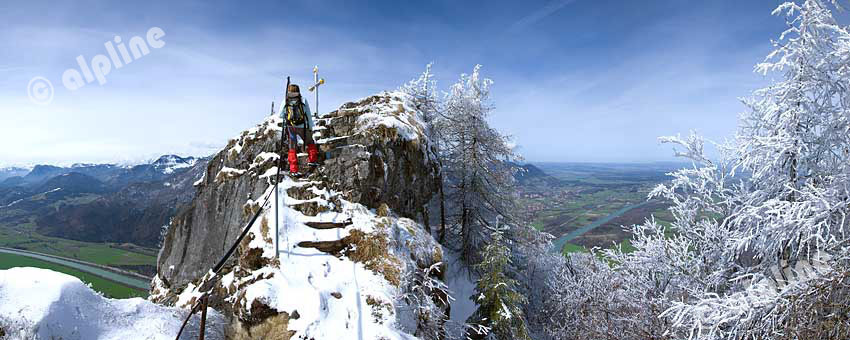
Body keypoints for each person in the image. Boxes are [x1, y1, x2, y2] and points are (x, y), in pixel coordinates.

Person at [281, 84, 319, 176]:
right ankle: (312, 160)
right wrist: (310, 126)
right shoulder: (303, 100)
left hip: (291, 127)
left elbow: (280, 115)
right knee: (310, 142)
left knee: (292, 148)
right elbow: (308, 114)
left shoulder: (285, 100)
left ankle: (293, 170)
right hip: (303, 126)